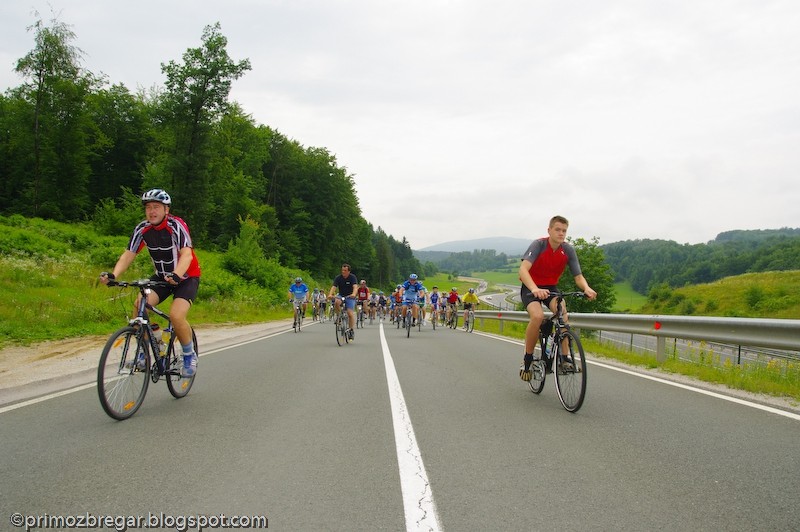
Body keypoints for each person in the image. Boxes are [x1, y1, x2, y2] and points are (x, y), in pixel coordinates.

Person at [99, 189, 201, 377]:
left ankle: (188, 354)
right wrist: (113, 274)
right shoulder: (142, 229)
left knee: (176, 316)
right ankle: (147, 350)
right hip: (162, 277)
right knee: (140, 305)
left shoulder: (176, 225)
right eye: (148, 207)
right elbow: (129, 254)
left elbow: (186, 254)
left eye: (156, 207)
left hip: (186, 277)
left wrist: (177, 275)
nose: (152, 211)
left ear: (166, 210)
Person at [519, 215, 596, 381]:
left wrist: (587, 288)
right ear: (549, 230)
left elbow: (578, 276)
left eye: (564, 231)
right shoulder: (539, 245)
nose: (561, 233)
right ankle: (528, 358)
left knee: (562, 313)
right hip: (531, 286)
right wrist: (534, 288)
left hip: (551, 288)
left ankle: (565, 358)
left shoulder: (567, 250)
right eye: (557, 230)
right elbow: (523, 270)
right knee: (538, 316)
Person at [329, 263, 358, 339]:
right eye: (342, 270)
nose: (343, 272)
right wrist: (330, 294)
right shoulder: (338, 278)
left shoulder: (352, 277)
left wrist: (354, 294)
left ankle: (351, 330)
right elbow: (334, 287)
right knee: (336, 302)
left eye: (345, 270)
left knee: (350, 314)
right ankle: (339, 316)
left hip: (350, 296)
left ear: (349, 271)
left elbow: (355, 287)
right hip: (341, 295)